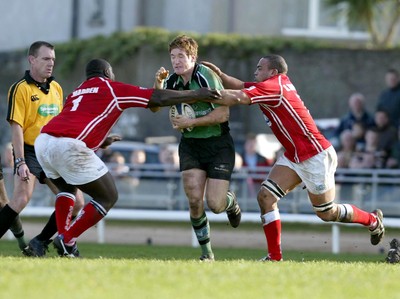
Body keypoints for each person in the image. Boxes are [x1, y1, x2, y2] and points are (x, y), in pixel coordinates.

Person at [202, 55, 385, 261]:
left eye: (260, 68)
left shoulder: (273, 87)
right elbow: (242, 86)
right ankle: (275, 257)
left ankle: (372, 220)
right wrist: (220, 75)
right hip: (295, 156)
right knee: (265, 197)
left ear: (273, 72)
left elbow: (236, 97)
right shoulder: (274, 84)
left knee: (326, 212)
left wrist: (198, 95)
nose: (256, 71)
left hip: (315, 156)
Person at [33, 58, 221, 257]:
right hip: (67, 145)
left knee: (66, 189)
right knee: (108, 196)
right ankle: (67, 239)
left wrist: (101, 141)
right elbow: (156, 98)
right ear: (107, 73)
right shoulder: (112, 88)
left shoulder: (77, 92)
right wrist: (194, 94)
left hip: (43, 141)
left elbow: (76, 121)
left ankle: (65, 245)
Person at [154, 35, 241, 261]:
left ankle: (230, 202)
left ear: (193, 57)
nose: (176, 61)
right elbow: (155, 107)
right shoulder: (172, 81)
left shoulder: (206, 76)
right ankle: (207, 254)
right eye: (172, 57)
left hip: (218, 144)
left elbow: (224, 113)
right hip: (191, 145)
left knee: (215, 204)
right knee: (194, 198)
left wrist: (190, 122)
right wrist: (159, 85)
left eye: (181, 56)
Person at [2, 41, 84, 257]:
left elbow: (63, 123)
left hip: (52, 152)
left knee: (76, 204)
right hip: (29, 151)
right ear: (32, 60)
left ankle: (40, 242)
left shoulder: (56, 88)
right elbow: (16, 127)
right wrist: (20, 161)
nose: (51, 64)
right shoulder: (20, 89)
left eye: (53, 60)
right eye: (46, 59)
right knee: (20, 199)